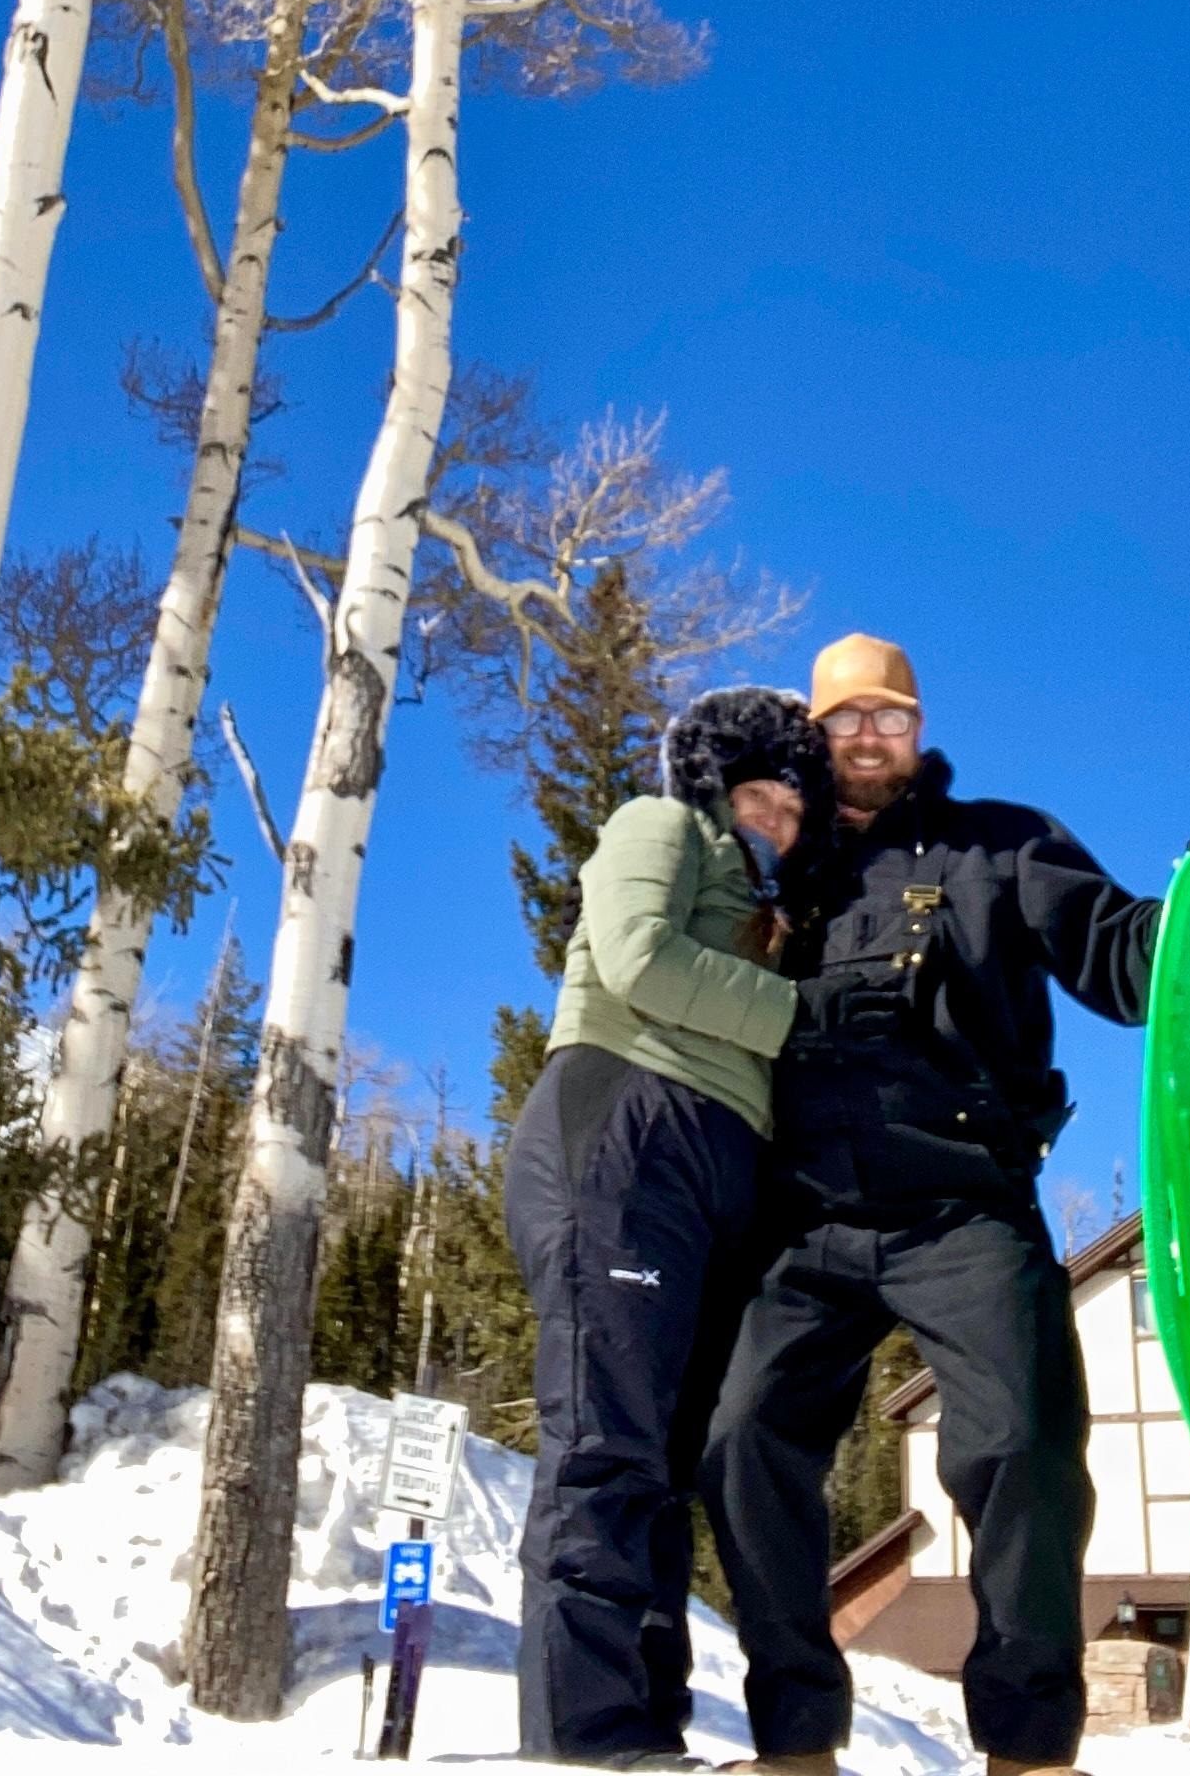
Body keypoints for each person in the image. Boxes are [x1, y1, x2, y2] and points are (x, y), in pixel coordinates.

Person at [703, 632, 1190, 1776]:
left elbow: (1124, 959)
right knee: (742, 1436)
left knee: (1022, 1447)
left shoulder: (1003, 843)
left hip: (964, 1207)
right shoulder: (781, 864)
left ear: (918, 729)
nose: (868, 735)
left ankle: (1028, 1750)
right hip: (807, 1218)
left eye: (890, 714)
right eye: (845, 719)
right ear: (814, 736)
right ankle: (795, 1745)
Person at [505, 686, 836, 1769]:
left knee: (662, 1459)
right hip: (625, 1124)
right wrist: (799, 1016)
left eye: (794, 806)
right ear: (714, 779)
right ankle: (585, 1738)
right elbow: (639, 953)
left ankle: (645, 1731)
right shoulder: (662, 826)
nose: (776, 817)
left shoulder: (773, 911)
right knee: (605, 1439)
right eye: (759, 792)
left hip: (719, 1169)